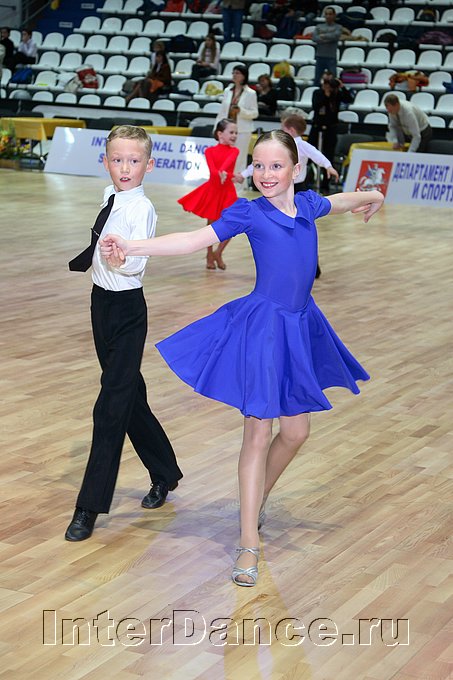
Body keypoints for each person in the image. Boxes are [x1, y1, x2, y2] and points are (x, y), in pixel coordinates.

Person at [100, 130, 384, 585]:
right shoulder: (250, 213)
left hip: (299, 326)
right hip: (264, 331)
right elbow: (193, 240)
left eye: (276, 166)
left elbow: (340, 201)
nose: (266, 174)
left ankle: (255, 499)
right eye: (259, 165)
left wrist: (372, 196)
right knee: (258, 433)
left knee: (297, 431)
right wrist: (132, 246)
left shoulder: (308, 205)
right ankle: (248, 540)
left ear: (296, 170)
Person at [65, 125, 183, 542]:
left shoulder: (141, 208)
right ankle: (165, 471)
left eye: (134, 160)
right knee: (128, 397)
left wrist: (122, 259)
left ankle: (89, 506)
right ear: (106, 162)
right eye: (117, 160)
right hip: (101, 306)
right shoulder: (110, 196)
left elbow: (136, 264)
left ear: (149, 165)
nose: (125, 167)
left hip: (128, 310)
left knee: (110, 407)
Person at [235, 112, 338, 277]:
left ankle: (309, 266)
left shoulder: (298, 145)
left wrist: (328, 166)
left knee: (299, 229)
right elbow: (260, 164)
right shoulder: (284, 146)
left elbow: (316, 155)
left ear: (290, 130)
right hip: (283, 190)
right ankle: (295, 264)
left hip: (296, 190)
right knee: (292, 228)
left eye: (283, 128)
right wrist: (328, 166)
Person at [178, 119, 239, 270]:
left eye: (236, 133)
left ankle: (218, 252)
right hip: (213, 190)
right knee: (211, 226)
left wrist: (227, 174)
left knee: (233, 223)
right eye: (231, 132)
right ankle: (209, 255)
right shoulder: (209, 151)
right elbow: (213, 172)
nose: (234, 135)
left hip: (228, 191)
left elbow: (227, 165)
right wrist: (226, 174)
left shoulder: (235, 151)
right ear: (220, 134)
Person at [308, 74, 353, 191]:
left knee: (329, 156)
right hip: (317, 127)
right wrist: (326, 95)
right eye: (327, 82)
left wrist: (342, 87)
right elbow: (316, 106)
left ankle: (325, 184)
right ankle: (306, 179)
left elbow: (349, 99)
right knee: (309, 154)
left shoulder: (336, 94)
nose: (328, 85)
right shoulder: (317, 93)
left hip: (331, 128)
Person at [214, 65, 258, 173]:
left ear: (244, 76)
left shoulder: (251, 93)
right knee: (224, 157)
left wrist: (241, 111)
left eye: (237, 73)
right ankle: (224, 180)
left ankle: (238, 182)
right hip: (226, 129)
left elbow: (255, 113)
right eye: (233, 73)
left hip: (242, 130)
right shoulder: (227, 91)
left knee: (240, 158)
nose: (234, 75)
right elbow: (222, 112)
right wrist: (216, 129)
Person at [312, 6, 342, 87]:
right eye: (326, 14)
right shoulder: (319, 26)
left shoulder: (338, 27)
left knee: (333, 81)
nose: (328, 16)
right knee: (317, 80)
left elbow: (335, 36)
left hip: (331, 57)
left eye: (330, 14)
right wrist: (328, 37)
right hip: (319, 56)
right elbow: (314, 38)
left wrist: (323, 36)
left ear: (334, 15)